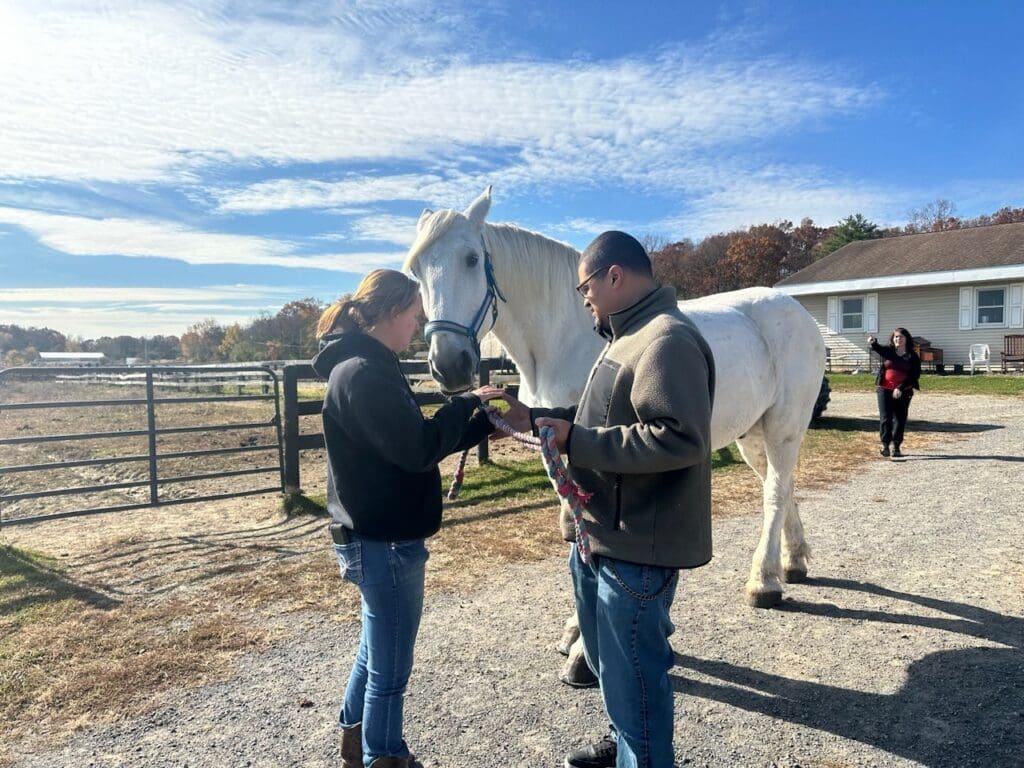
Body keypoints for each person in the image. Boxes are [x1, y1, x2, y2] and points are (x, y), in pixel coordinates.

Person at [503, 231, 715, 768]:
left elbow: (679, 437)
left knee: (636, 677)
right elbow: (607, 422)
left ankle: (639, 753)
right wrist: (535, 420)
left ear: (614, 276)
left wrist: (576, 440)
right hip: (602, 534)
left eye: (586, 288)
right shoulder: (625, 337)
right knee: (610, 666)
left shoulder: (666, 339)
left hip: (638, 545)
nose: (585, 299)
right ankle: (625, 743)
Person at [312, 269, 505, 768]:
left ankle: (355, 740)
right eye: (416, 316)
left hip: (375, 535)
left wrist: (482, 423)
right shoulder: (364, 373)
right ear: (392, 312)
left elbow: (413, 444)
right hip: (386, 541)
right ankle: (386, 755)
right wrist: (464, 405)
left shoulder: (364, 366)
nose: (418, 326)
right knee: (391, 668)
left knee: (375, 649)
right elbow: (419, 448)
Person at [868, 327, 921, 459]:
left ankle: (896, 446)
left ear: (906, 339)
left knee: (900, 418)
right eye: (896, 337)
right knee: (885, 418)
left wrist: (900, 387)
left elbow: (914, 376)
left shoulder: (912, 356)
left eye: (901, 337)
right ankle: (885, 445)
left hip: (904, 391)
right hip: (884, 389)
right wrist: (873, 342)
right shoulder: (889, 352)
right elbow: (878, 349)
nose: (898, 339)